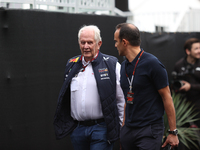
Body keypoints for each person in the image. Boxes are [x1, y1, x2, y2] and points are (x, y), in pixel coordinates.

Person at [53, 25, 125, 150]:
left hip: (102, 129)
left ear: (99, 43)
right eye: (83, 42)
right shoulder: (71, 64)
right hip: (78, 130)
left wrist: (121, 128)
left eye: (90, 42)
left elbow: (120, 99)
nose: (86, 46)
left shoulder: (112, 64)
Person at [114, 23, 179, 150]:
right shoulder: (123, 67)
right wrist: (123, 131)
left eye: (116, 41)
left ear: (124, 42)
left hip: (149, 130)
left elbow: (167, 97)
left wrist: (173, 132)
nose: (115, 45)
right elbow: (128, 99)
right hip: (129, 130)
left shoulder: (153, 64)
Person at [173, 38, 200, 149]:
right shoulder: (179, 65)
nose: (199, 51)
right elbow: (173, 84)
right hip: (184, 111)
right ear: (188, 51)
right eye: (196, 48)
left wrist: (191, 87)